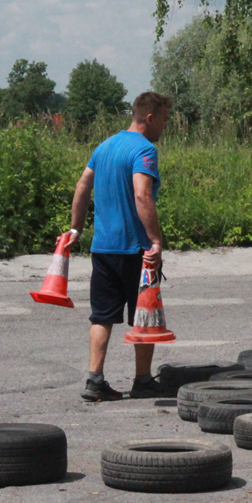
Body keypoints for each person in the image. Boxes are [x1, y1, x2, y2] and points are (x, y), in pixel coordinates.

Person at [66, 91, 177, 401]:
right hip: (135, 248)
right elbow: (142, 194)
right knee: (144, 312)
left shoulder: (104, 146)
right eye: (164, 120)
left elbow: (82, 185)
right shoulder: (144, 149)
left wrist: (76, 228)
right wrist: (155, 240)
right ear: (150, 118)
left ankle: (94, 381)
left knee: (101, 315)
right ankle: (143, 380)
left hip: (103, 247)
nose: (165, 126)